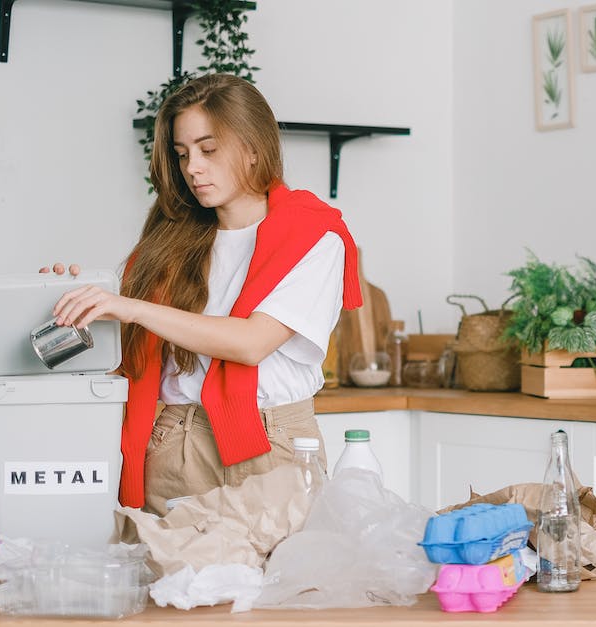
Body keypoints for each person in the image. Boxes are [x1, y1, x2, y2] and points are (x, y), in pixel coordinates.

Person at [44, 74, 362, 515]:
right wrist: (70, 301)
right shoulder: (169, 240)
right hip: (177, 441)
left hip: (275, 447)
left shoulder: (313, 236)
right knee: (170, 582)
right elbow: (130, 354)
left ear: (253, 148)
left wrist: (133, 308)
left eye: (208, 150)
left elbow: (250, 343)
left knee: (278, 582)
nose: (192, 167)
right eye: (182, 154)